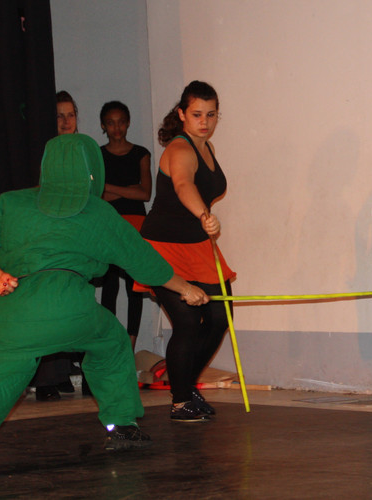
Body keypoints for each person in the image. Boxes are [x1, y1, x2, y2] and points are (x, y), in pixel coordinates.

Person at [0, 133, 210, 488]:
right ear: (91, 171)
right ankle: (122, 426)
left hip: (12, 315)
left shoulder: (9, 203)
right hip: (70, 307)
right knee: (113, 340)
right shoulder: (97, 211)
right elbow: (144, 261)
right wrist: (187, 289)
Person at [138, 81, 235, 422]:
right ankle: (181, 401)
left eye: (211, 115)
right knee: (188, 322)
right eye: (196, 115)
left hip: (198, 247)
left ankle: (185, 385)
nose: (204, 122)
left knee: (221, 317)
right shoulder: (179, 149)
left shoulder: (207, 147)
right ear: (181, 114)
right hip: (163, 248)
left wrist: (203, 222)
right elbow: (183, 185)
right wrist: (204, 215)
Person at [31, 89, 83, 401]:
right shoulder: (45, 150)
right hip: (50, 232)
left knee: (71, 301)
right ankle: (46, 378)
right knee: (49, 302)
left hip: (75, 232)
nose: (65, 121)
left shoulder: (83, 150)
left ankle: (63, 370)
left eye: (70, 114)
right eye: (59, 116)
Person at [98, 101, 152, 349]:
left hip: (136, 226)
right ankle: (110, 343)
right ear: (103, 126)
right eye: (111, 123)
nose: (117, 127)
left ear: (128, 123)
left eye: (121, 122)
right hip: (109, 225)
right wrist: (129, 190)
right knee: (109, 285)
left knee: (134, 286)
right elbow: (97, 197)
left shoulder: (141, 153)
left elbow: (145, 194)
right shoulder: (98, 155)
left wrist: (109, 187)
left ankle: (130, 345)